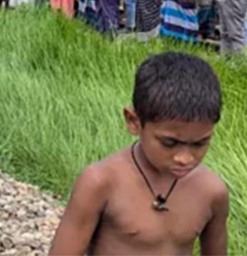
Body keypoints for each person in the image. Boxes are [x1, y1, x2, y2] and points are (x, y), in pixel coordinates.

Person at [49, 52, 228, 255]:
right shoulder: (101, 183)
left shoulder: (212, 192)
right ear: (134, 122)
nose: (185, 158)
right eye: (169, 143)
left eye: (200, 143)